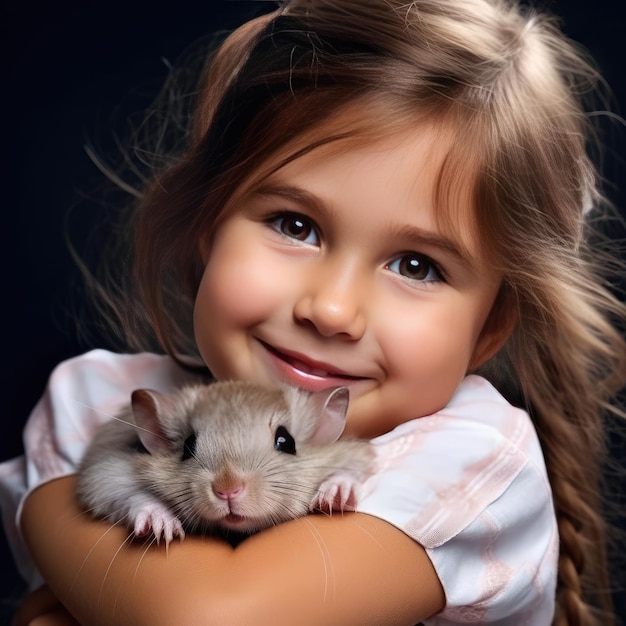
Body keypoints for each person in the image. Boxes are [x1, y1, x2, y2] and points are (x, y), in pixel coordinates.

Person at [1, 0, 625, 623]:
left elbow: (202, 616)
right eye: (295, 225)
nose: (331, 310)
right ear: (207, 227)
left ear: (488, 327)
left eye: (416, 265)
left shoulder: (474, 456)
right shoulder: (95, 397)